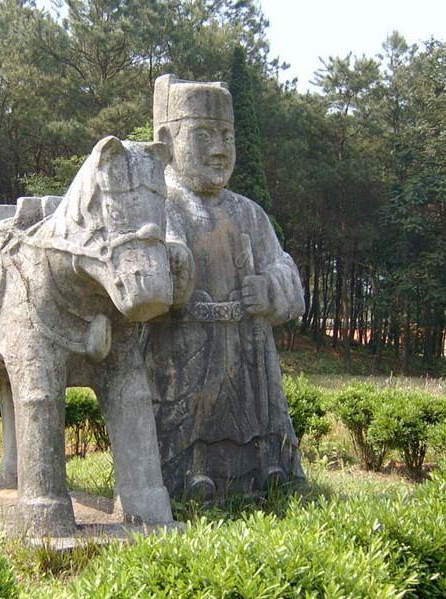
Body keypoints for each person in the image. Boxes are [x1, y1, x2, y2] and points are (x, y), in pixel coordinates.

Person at [145, 74, 306, 500]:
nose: (220, 150)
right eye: (203, 136)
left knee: (254, 426)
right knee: (191, 431)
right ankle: (187, 483)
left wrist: (269, 290)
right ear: (166, 139)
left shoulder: (250, 213)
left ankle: (267, 478)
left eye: (228, 137)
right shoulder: (158, 205)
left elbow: (286, 272)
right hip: (182, 353)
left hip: (247, 349)